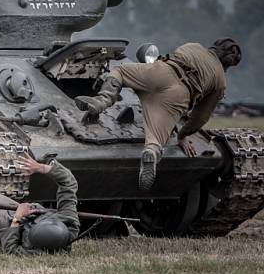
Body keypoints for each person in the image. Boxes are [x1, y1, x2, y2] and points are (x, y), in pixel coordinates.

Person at [74, 38, 242, 191]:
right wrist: (183, 135)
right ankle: (151, 153)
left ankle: (102, 101)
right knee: (156, 137)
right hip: (178, 96)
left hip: (160, 72)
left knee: (120, 72)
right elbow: (200, 116)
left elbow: (170, 57)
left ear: (215, 46)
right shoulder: (220, 81)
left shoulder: (194, 46)